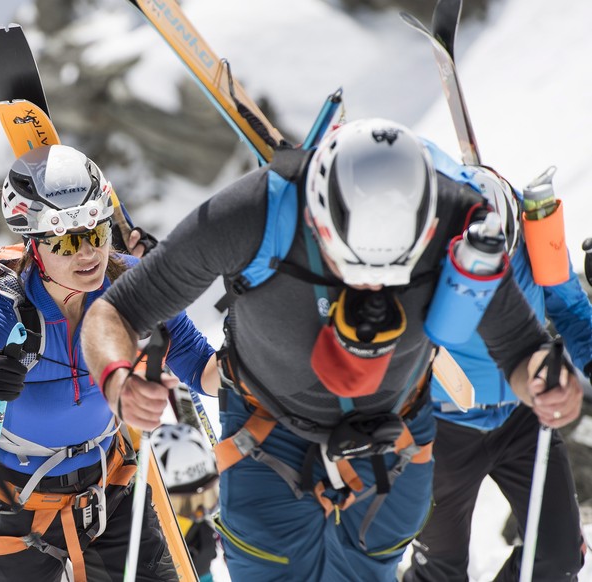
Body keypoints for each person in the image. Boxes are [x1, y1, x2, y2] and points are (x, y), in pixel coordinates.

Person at [80, 118, 585, 581]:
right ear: (319, 213)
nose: (370, 294)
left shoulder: (458, 220)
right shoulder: (255, 213)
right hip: (267, 437)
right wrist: (117, 380)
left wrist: (544, 381)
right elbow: (117, 311)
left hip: (396, 442)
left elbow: (520, 346)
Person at [0, 144, 219, 582]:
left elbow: (207, 373)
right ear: (35, 246)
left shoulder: (130, 285)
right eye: (67, 241)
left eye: (96, 233)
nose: (88, 254)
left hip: (109, 488)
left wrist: (254, 336)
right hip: (16, 505)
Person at [403, 167, 590, 580]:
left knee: (560, 559)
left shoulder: (534, 239)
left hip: (523, 418)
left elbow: (572, 310)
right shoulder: (426, 250)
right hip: (441, 429)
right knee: (439, 571)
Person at [152, 422, 220, 582]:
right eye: (185, 504)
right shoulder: (142, 537)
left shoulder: (202, 539)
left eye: (207, 497)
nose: (200, 512)